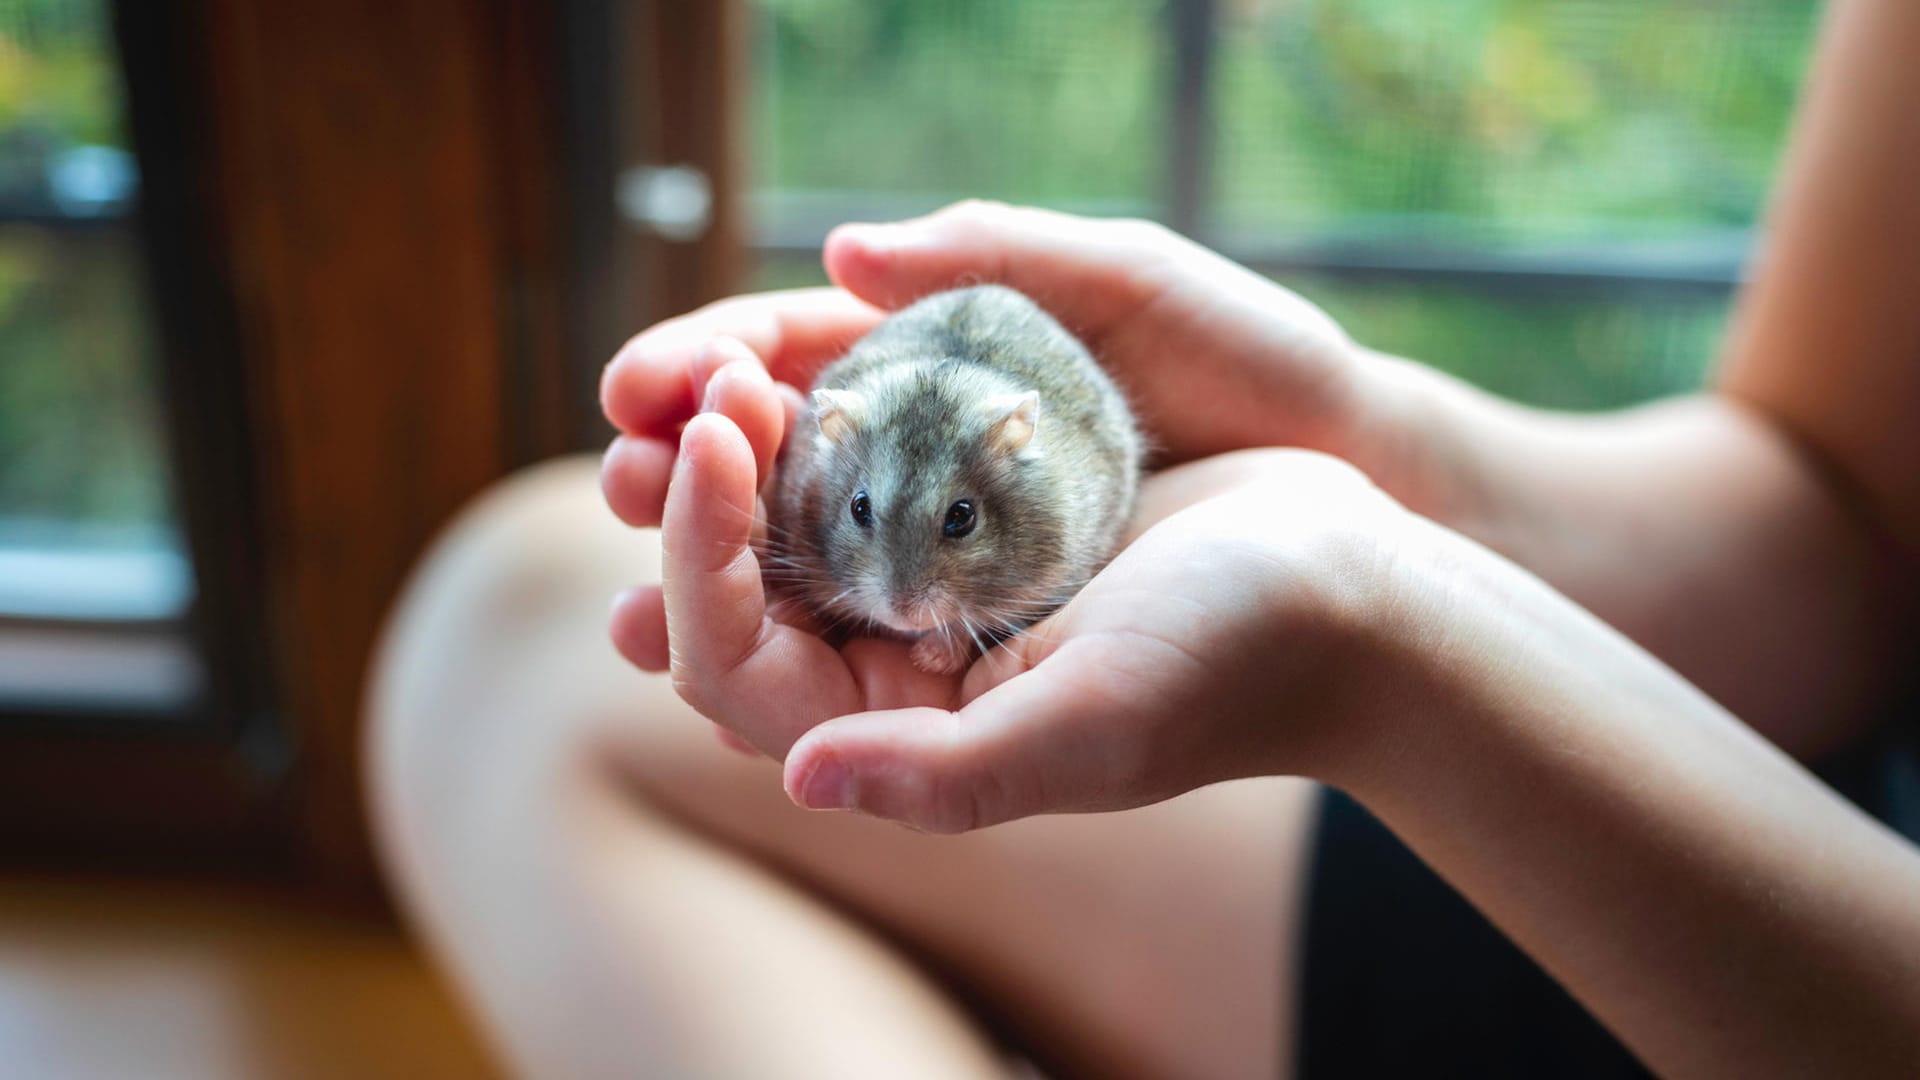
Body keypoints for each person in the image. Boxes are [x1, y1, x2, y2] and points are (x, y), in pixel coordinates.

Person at [366, 1, 1920, 1075]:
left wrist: (1396, 651)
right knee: (505, 626)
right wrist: (1378, 453)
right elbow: (1843, 509)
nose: (903, 592)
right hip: (1797, 768)